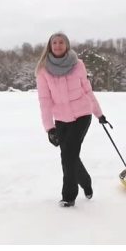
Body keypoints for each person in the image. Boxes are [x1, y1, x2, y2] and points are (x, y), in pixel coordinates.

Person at [35, 32, 108, 207]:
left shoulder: (78, 65)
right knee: (69, 155)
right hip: (60, 118)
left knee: (68, 155)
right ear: (50, 46)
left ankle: (69, 196)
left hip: (82, 115)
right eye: (54, 42)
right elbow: (44, 100)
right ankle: (86, 181)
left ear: (66, 45)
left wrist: (99, 114)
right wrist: (49, 128)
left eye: (61, 42)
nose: (58, 45)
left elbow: (87, 90)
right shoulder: (43, 70)